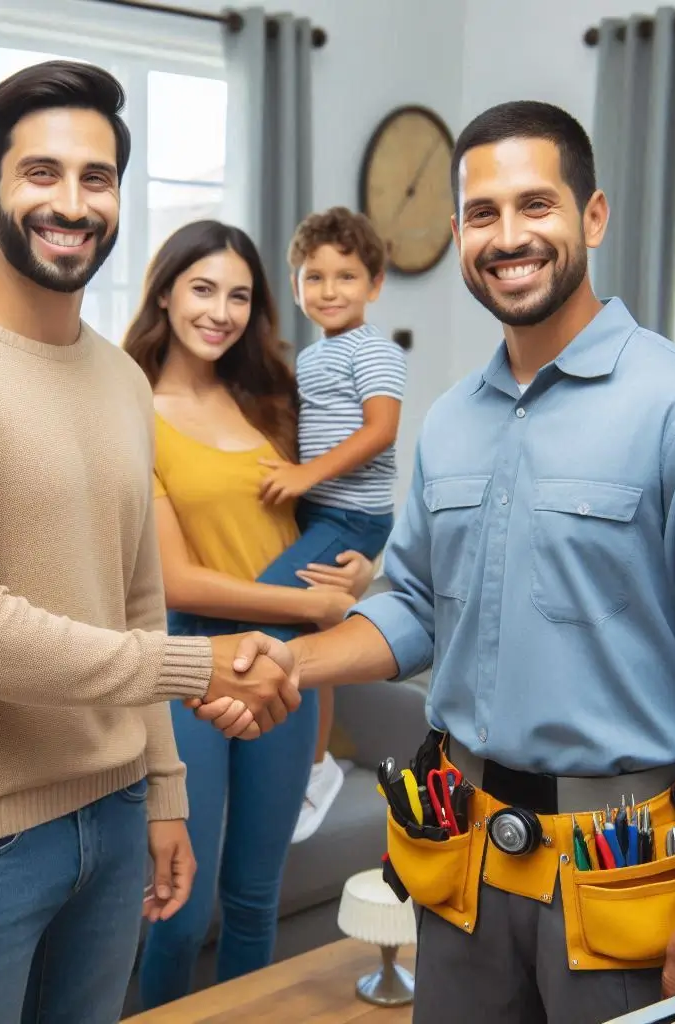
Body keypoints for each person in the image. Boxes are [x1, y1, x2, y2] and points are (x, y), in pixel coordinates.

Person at [216, 100, 675, 1023]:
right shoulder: (452, 419)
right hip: (461, 863)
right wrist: (293, 658)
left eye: (537, 205)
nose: (509, 235)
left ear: (594, 216)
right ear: (458, 235)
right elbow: (412, 600)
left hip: (621, 878)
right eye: (483, 214)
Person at [0, 62, 298, 1024]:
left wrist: (166, 792)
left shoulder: (119, 381)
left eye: (96, 178)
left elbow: (134, 594)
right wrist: (202, 661)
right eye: (40, 173)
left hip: (119, 811)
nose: (72, 202)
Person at [124, 219, 375, 1008]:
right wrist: (310, 602)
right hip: (192, 669)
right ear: (164, 293)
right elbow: (175, 580)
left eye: (239, 295)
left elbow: (333, 516)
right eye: (202, 289)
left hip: (284, 670)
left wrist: (361, 565)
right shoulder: (132, 412)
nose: (221, 311)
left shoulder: (274, 399)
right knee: (179, 905)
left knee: (255, 897)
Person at [266, 206, 405, 843]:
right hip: (321, 510)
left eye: (345, 277)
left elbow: (381, 430)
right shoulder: (313, 357)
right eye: (313, 277)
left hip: (351, 514)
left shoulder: (373, 350)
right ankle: (317, 764)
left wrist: (304, 476)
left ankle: (312, 766)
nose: (328, 291)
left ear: (375, 285)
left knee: (270, 613)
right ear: (295, 285)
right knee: (315, 626)